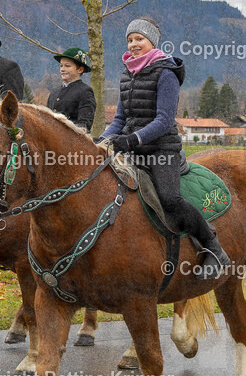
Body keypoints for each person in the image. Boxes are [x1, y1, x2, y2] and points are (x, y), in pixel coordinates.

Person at [98, 17, 230, 280]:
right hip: (132, 148)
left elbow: (164, 120)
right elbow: (119, 120)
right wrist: (98, 144)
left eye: (139, 39)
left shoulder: (166, 73)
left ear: (152, 42)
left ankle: (214, 250)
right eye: (130, 40)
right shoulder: (127, 75)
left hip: (162, 151)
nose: (134, 44)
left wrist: (134, 139)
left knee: (170, 200)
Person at [47, 47, 97, 131]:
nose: (62, 69)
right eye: (61, 66)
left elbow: (84, 125)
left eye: (67, 66)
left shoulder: (85, 92)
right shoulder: (54, 93)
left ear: (80, 69)